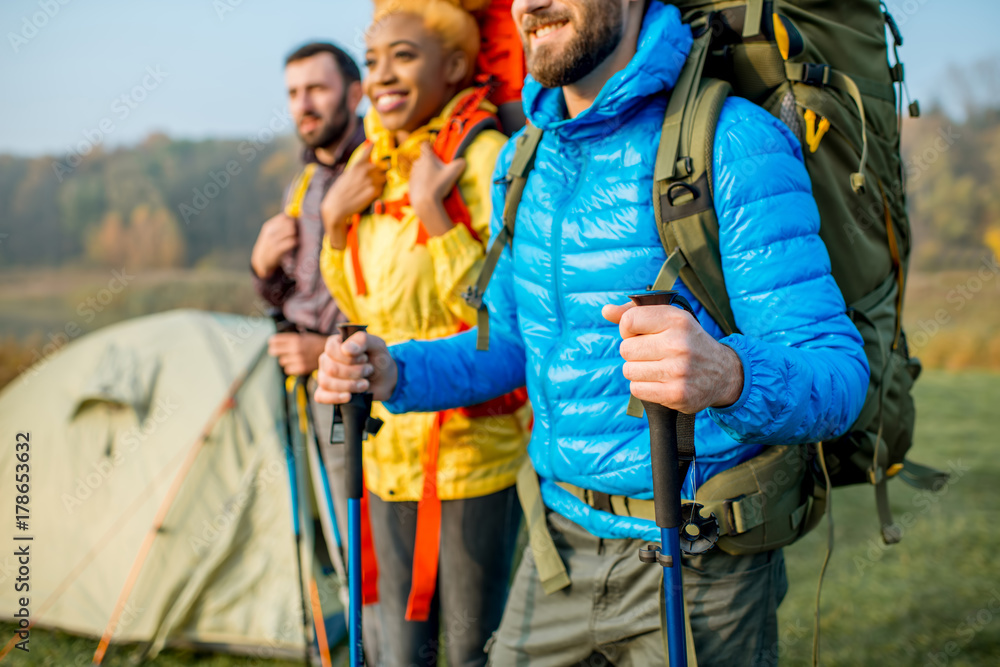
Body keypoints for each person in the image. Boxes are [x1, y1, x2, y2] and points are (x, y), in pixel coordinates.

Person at [317, 0, 871, 664]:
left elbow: (838, 377)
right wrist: (394, 370)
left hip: (698, 562)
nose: (533, 6)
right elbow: (509, 344)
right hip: (556, 547)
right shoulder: (522, 162)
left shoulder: (732, 142)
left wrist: (728, 374)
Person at [317, 2, 530, 665]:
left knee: (470, 650)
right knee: (402, 651)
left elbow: (498, 318)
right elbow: (361, 303)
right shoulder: (371, 165)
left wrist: (435, 215)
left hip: (472, 456)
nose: (381, 76)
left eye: (404, 56)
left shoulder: (487, 156)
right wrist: (331, 223)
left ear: (458, 65)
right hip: (387, 453)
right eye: (373, 59)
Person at [248, 41, 382, 658]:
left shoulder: (377, 169)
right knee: (335, 525)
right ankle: (363, 633)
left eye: (317, 89)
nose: (304, 105)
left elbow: (382, 295)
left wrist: (321, 346)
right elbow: (298, 290)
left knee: (365, 527)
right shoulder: (300, 184)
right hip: (304, 386)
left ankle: (385, 641)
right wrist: (260, 269)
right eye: (294, 93)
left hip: (357, 386)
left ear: (355, 94)